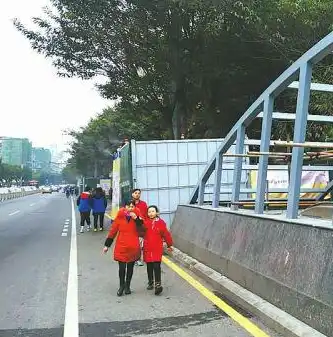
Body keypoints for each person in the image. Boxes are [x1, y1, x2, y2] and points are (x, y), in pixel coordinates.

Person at [103, 200, 144, 296]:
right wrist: (107, 245)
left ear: (135, 208)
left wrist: (137, 218)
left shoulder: (138, 218)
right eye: (128, 206)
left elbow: (142, 229)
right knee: (122, 268)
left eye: (132, 206)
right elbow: (113, 231)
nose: (130, 208)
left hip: (133, 246)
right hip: (121, 246)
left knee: (130, 268)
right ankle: (121, 286)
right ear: (125, 207)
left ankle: (127, 286)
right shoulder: (120, 217)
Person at [143, 205, 173, 295]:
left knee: (156, 266)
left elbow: (166, 234)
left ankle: (158, 284)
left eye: (152, 211)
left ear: (157, 213)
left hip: (157, 248)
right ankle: (151, 281)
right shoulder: (145, 223)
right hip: (147, 248)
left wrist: (169, 244)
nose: (151, 213)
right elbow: (140, 231)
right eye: (149, 212)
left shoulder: (161, 223)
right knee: (149, 266)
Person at [132, 188, 148, 266]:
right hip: (131, 227)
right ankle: (134, 258)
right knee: (134, 244)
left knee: (140, 244)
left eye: (139, 193)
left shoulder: (144, 204)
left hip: (141, 227)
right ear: (132, 194)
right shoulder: (130, 204)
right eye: (135, 193)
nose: (137, 194)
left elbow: (146, 215)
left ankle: (138, 259)